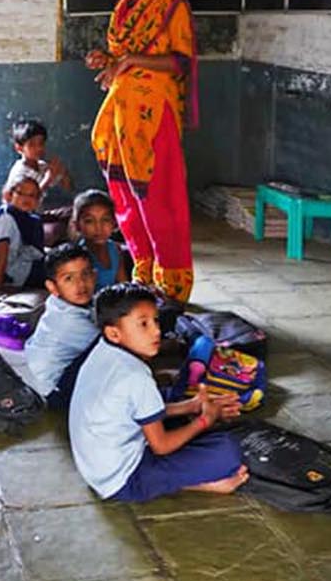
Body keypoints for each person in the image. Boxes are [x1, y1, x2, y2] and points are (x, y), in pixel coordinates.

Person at [85, 0, 199, 302]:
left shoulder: (171, 3)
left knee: (158, 195)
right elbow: (123, 58)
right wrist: (107, 60)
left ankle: (172, 282)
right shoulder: (124, 6)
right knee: (126, 195)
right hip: (123, 112)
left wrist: (130, 61)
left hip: (154, 114)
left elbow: (179, 62)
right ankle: (143, 270)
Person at [68, 283, 248, 503]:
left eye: (155, 320)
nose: (156, 331)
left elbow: (132, 409)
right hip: (124, 480)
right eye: (143, 324)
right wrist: (205, 420)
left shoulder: (103, 350)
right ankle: (199, 483)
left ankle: (185, 466)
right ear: (114, 333)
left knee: (170, 401)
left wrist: (190, 406)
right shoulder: (135, 376)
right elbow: (162, 447)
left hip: (95, 468)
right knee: (228, 451)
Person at [25, 243, 100, 410]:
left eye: (85, 274)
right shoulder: (69, 322)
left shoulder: (57, 301)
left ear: (94, 276)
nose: (80, 284)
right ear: (52, 287)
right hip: (53, 393)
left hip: (37, 376)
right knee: (113, 342)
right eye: (69, 279)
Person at [72, 189, 132, 289]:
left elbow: (123, 285)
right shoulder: (78, 257)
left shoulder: (115, 249)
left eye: (105, 220)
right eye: (89, 221)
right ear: (77, 225)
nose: (98, 228)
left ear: (114, 223)